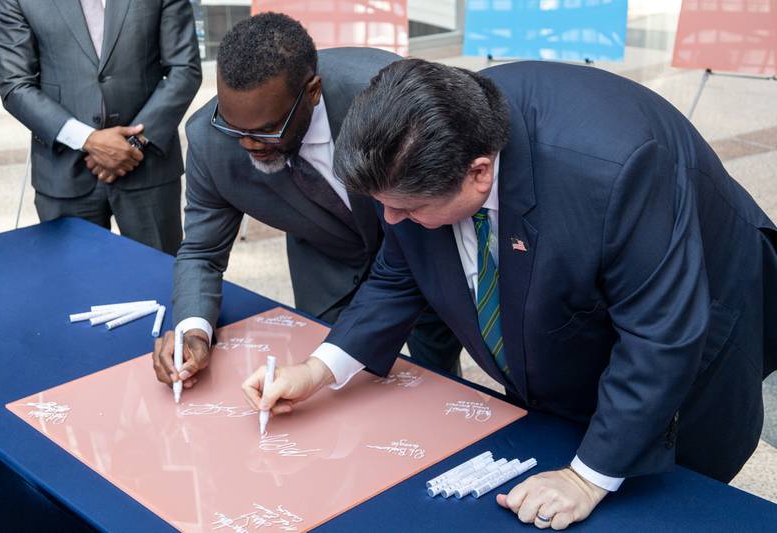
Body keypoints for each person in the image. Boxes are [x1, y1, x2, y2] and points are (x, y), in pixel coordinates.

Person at [242, 58, 777, 529]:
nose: (391, 221)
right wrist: (317, 370)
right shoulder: (422, 151)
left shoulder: (616, 168)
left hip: (701, 323)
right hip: (582, 323)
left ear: (479, 173)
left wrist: (587, 478)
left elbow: (660, 336)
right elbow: (397, 274)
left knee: (674, 503)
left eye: (406, 209)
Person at [151, 14, 461, 392]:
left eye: (267, 129)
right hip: (328, 275)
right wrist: (192, 329)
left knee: (437, 384)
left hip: (421, 258)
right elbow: (201, 251)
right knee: (330, 391)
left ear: (312, 92)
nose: (248, 143)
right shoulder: (210, 140)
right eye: (236, 128)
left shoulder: (386, 97)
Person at [0, 0, 202, 254]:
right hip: (64, 171)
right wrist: (88, 139)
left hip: (147, 167)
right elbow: (15, 85)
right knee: (74, 286)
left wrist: (133, 143)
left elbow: (184, 69)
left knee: (160, 282)